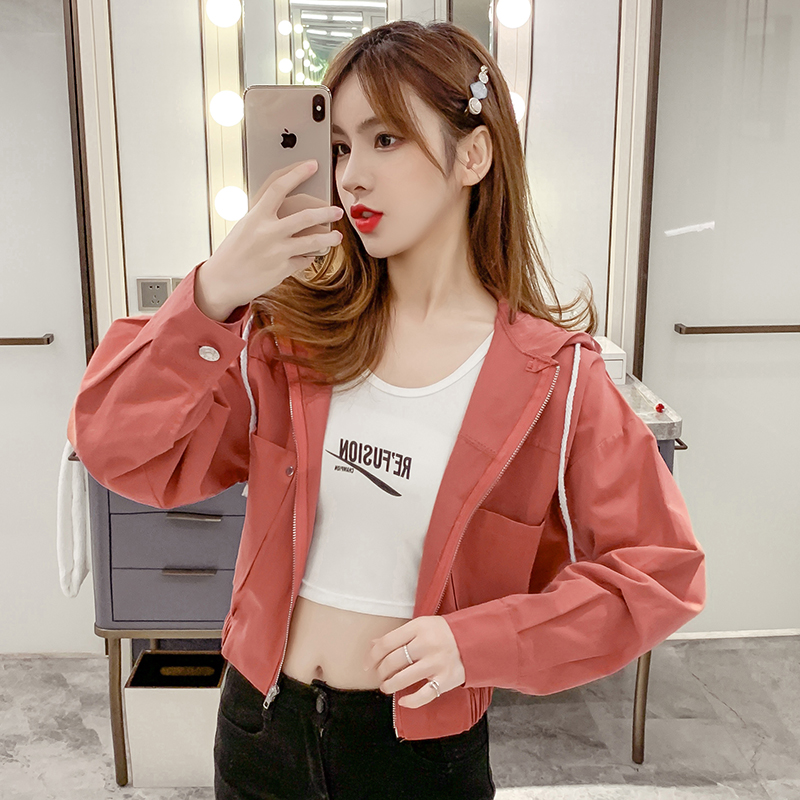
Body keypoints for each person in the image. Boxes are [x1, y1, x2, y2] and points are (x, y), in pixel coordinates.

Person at [68, 19, 706, 800]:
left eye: (386, 139)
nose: (351, 177)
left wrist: (478, 643)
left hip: (419, 757)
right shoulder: (289, 342)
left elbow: (658, 573)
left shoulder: (555, 378)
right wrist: (213, 292)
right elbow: (117, 446)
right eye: (339, 146)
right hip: (259, 727)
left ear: (473, 156)